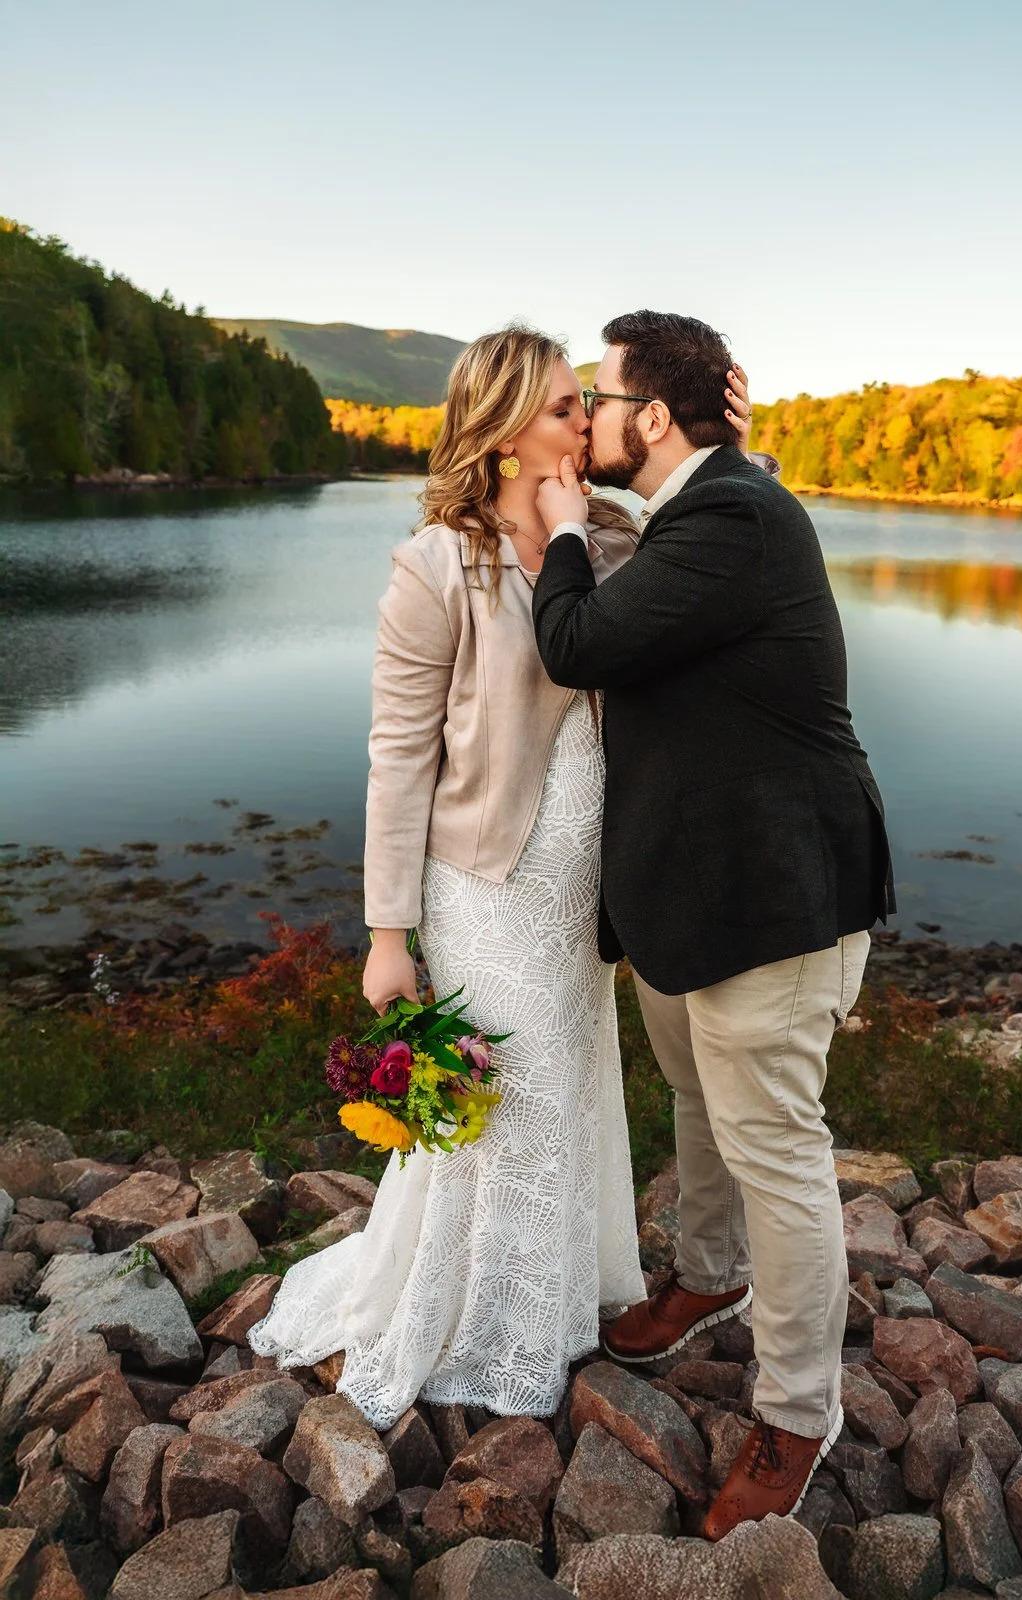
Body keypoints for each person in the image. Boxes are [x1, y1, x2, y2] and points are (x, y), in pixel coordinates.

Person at [248, 324, 755, 1428]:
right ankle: (484, 1320)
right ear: (507, 430)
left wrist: (732, 446)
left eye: (588, 401)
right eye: (568, 405)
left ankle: (561, 1294)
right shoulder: (433, 564)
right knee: (503, 1094)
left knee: (571, 1081)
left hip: (591, 881)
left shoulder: (615, 538)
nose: (588, 420)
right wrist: (388, 933)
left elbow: (721, 545)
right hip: (484, 881)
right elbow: (397, 755)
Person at [531, 309, 896, 1538]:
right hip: (693, 889)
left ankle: (799, 1411)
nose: (587, 411)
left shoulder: (733, 514)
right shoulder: (715, 504)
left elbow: (579, 640)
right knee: (695, 1096)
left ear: (656, 415)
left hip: (775, 896)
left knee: (778, 1149)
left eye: (603, 392)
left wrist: (562, 527)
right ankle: (708, 1272)